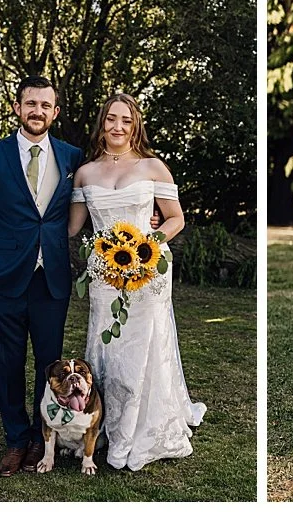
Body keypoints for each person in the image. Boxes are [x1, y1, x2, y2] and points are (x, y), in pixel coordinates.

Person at [68, 93, 206, 470]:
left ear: (135, 125)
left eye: (126, 121)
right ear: (102, 123)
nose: (117, 127)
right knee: (107, 346)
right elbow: (73, 227)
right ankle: (104, 423)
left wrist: (150, 243)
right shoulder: (86, 173)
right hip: (103, 275)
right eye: (111, 119)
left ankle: (144, 426)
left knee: (144, 348)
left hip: (148, 272)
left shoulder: (153, 167)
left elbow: (175, 218)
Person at [0, 76, 86, 476]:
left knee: (48, 365)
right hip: (0, 281)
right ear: (17, 108)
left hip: (50, 280)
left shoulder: (72, 157)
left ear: (55, 112)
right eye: (30, 103)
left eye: (45, 105)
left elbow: (96, 198)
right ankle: (16, 440)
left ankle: (41, 437)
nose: (38, 111)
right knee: (7, 362)